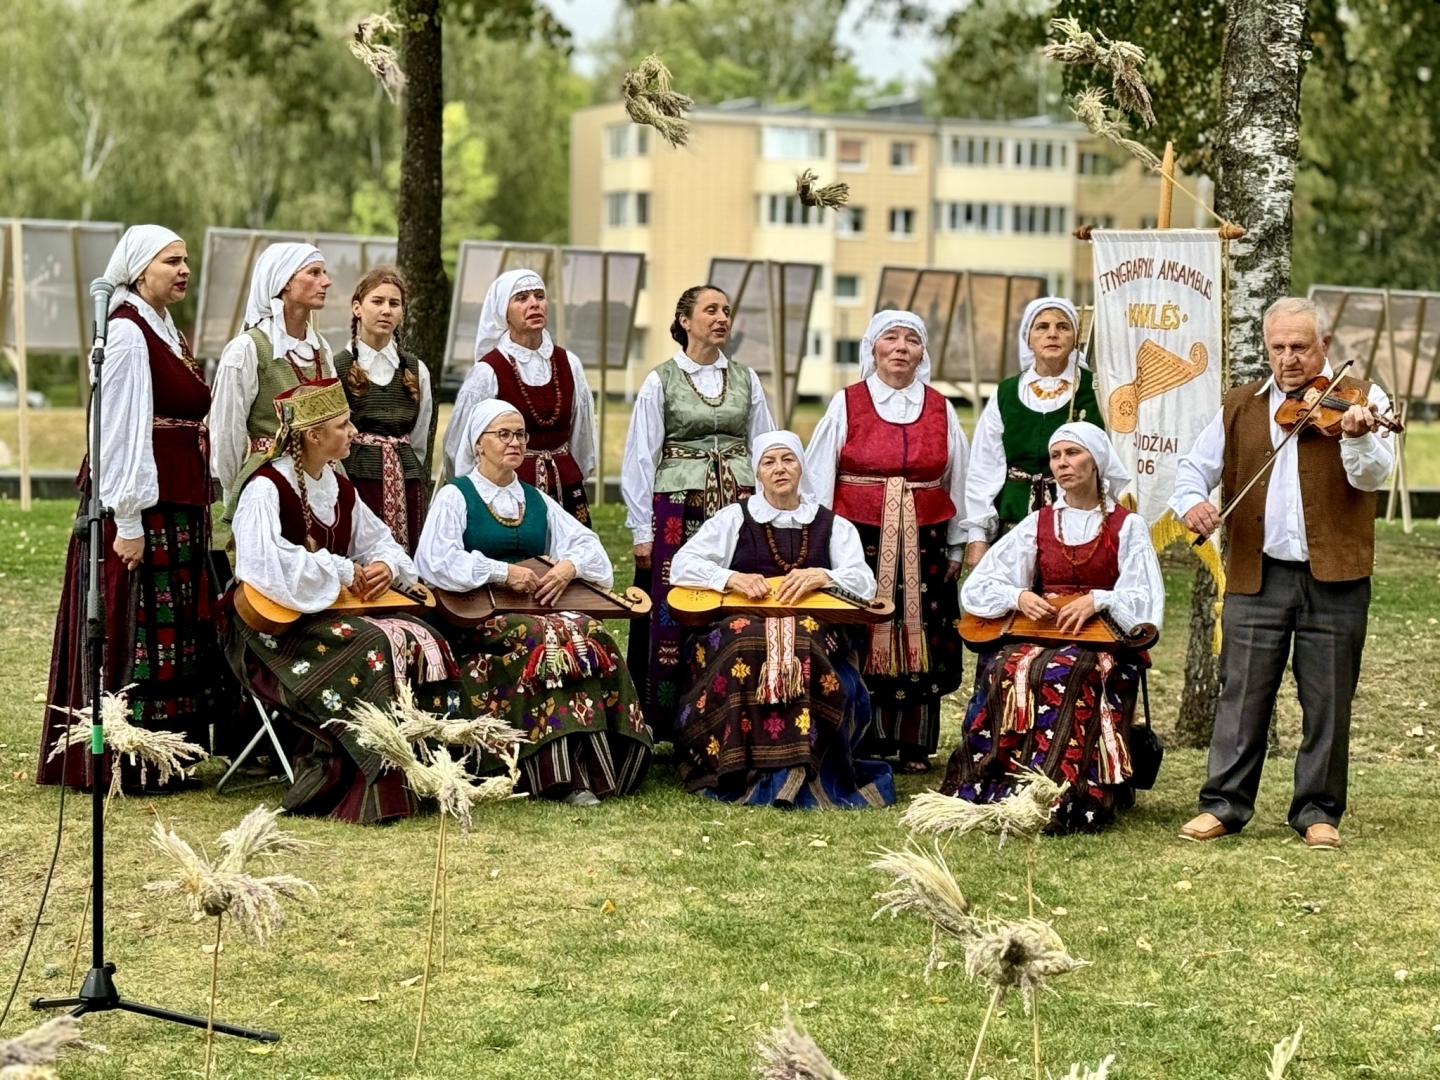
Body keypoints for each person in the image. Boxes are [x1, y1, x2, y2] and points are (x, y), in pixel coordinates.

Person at [1171, 297, 1394, 850]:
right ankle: (1224, 804)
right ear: (1266, 349)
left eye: (1300, 346)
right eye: (1279, 347)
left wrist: (1359, 433)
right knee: (1241, 692)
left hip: (1335, 575)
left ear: (1324, 347)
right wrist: (1191, 502)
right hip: (1257, 570)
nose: (1290, 358)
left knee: (1329, 696)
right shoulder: (1240, 404)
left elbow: (1372, 478)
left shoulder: (1359, 398)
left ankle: (1318, 811)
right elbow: (1191, 472)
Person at [38, 225, 225, 791]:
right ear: (140, 269)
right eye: (172, 261)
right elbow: (117, 433)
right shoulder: (126, 333)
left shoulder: (165, 329)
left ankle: (168, 755)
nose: (184, 270)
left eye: (186, 260)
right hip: (146, 507)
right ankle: (124, 759)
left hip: (178, 500)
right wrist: (127, 518)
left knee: (173, 629)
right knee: (138, 624)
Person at [225, 380, 457, 824]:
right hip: (272, 630)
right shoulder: (265, 487)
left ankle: (423, 773)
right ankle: (359, 782)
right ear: (313, 436)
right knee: (372, 646)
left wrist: (387, 567)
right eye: (343, 424)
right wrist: (343, 569)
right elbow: (265, 565)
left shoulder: (337, 485)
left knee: (423, 636)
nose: (354, 432)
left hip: (323, 616)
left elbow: (380, 542)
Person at [416, 399, 652, 806]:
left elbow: (591, 550)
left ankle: (610, 761)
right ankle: (556, 775)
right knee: (544, 637)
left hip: (532, 614)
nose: (514, 442)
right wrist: (502, 572)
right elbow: (435, 561)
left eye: (520, 434)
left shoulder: (535, 499)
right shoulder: (457, 496)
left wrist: (567, 567)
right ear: (478, 444)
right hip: (478, 619)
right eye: (503, 434)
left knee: (589, 632)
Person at [940, 422, 1164, 832]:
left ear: (1096, 461)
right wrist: (1018, 597)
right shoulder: (1039, 522)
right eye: (1056, 456)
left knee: (1068, 669)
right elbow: (979, 586)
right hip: (1043, 631)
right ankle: (999, 787)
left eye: (1072, 454)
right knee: (1007, 666)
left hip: (1103, 639)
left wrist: (1101, 599)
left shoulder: (1127, 526)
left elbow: (1146, 600)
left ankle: (1066, 795)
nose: (1062, 464)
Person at [667, 431, 893, 808]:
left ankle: (802, 768)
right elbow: (682, 565)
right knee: (747, 642)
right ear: (757, 472)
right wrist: (730, 578)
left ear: (801, 466)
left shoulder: (831, 524)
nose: (779, 469)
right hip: (742, 624)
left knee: (801, 642)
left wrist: (825, 576)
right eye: (769, 462)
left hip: (815, 627)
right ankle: (740, 766)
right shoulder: (733, 518)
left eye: (788, 459)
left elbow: (865, 581)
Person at [806, 310, 968, 773]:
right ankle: (864, 735)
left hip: (927, 534)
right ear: (872, 349)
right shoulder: (847, 403)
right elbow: (820, 475)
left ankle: (916, 742)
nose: (901, 347)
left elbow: (958, 477)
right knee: (862, 624)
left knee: (926, 632)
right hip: (859, 535)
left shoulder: (941, 407)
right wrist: (822, 540)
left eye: (912, 340)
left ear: (923, 353)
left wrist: (958, 543)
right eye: (890, 338)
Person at [621, 284, 775, 735]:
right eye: (711, 310)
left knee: (737, 596)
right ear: (685, 321)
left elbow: (763, 442)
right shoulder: (661, 379)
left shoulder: (747, 378)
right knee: (675, 603)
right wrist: (640, 529)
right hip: (676, 508)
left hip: (739, 502)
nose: (721, 318)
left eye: (726, 311)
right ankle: (666, 719)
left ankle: (733, 710)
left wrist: (770, 506)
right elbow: (639, 457)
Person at [442, 269, 598, 523]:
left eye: (539, 296)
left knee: (572, 558)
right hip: (510, 489)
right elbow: (462, 444)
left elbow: (583, 434)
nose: (534, 304)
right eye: (522, 298)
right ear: (504, 312)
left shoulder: (569, 363)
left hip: (565, 486)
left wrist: (573, 472)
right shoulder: (488, 371)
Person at [962, 297, 1104, 568]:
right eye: (1042, 327)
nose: (1052, 333)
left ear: (1075, 338)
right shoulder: (1006, 393)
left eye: (1063, 327)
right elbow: (984, 466)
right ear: (1028, 338)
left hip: (1077, 524)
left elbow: (1109, 464)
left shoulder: (1094, 390)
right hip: (1014, 525)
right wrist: (977, 535)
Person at [211, 242, 335, 520]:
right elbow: (226, 433)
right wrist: (237, 493)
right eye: (314, 273)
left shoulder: (321, 349)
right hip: (268, 484)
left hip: (323, 481)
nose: (326, 281)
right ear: (284, 282)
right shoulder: (247, 349)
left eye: (323, 273)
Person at [333, 266, 433, 554]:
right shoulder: (337, 366)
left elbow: (419, 439)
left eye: (394, 303)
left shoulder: (415, 369)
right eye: (377, 301)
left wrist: (400, 465)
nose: (386, 310)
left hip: (405, 481)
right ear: (357, 308)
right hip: (356, 479)